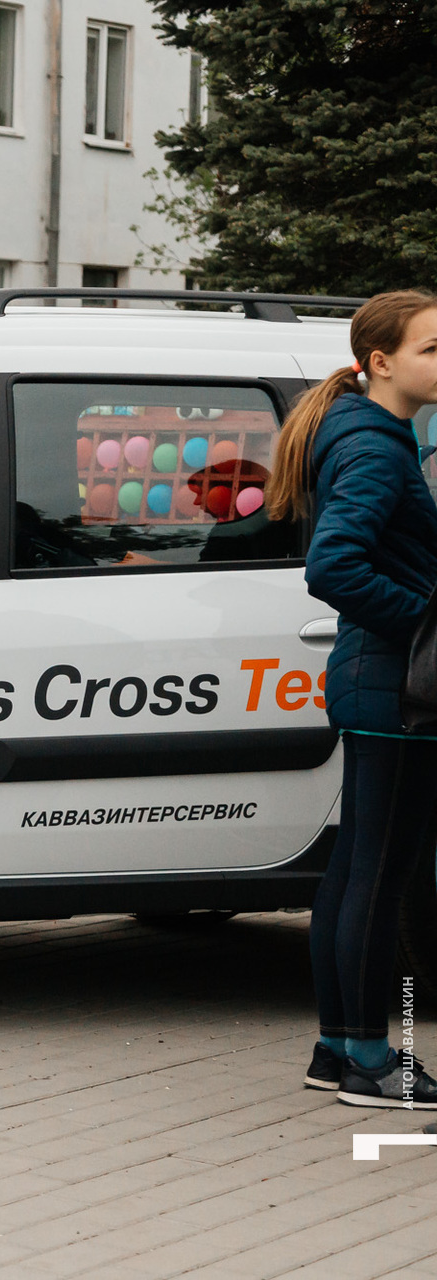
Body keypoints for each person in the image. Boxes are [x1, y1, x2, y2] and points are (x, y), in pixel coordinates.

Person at [267, 289, 437, 1108]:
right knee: (380, 875)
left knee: (353, 869)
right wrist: (428, 627)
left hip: (377, 682)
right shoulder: (375, 448)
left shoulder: (368, 433)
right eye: (431, 349)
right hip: (397, 689)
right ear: (380, 362)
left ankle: (337, 1048)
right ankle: (374, 1060)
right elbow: (334, 565)